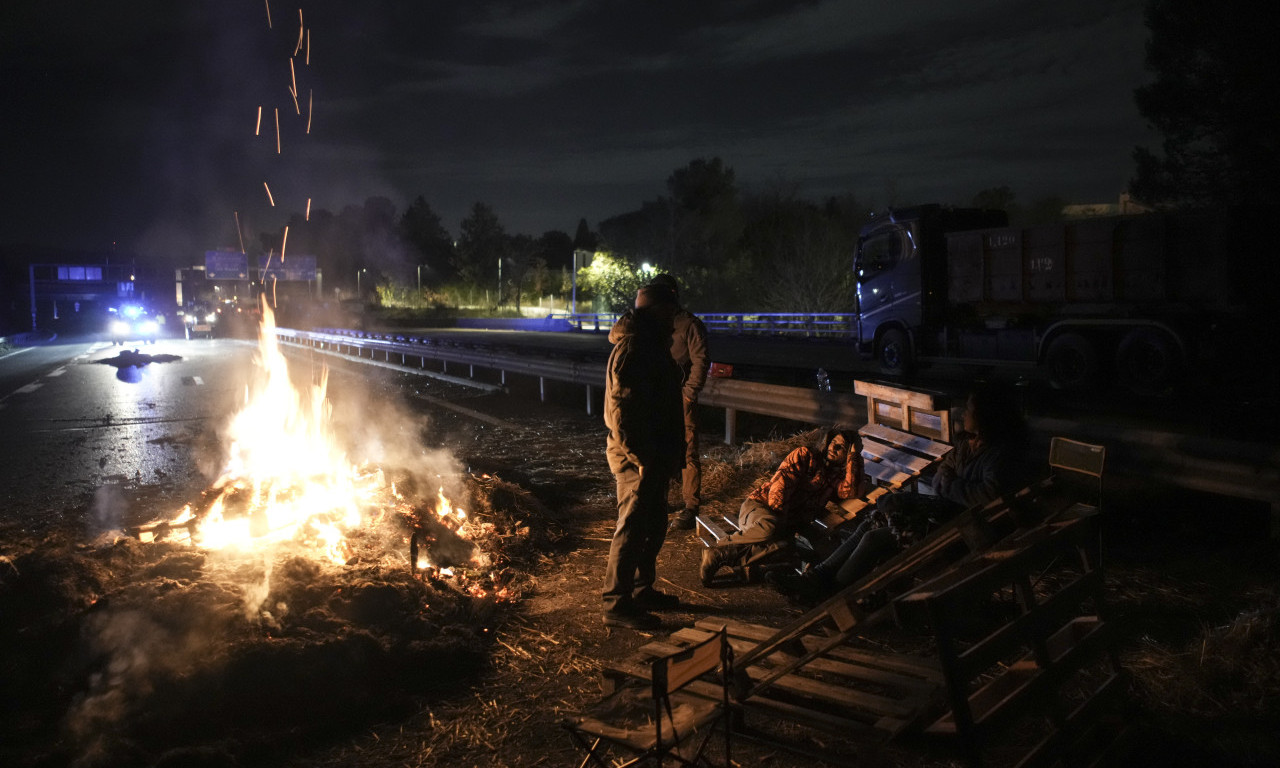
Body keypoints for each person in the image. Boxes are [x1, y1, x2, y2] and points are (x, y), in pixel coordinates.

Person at [770, 384, 1031, 603]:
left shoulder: (999, 455)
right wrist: (952, 485)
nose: (964, 413)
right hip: (944, 515)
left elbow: (987, 495)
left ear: (987, 416)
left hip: (962, 530)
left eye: (971, 410)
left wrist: (950, 486)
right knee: (875, 518)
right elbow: (943, 474)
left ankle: (832, 595)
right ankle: (819, 577)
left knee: (874, 538)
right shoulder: (967, 444)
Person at [601, 286, 687, 629]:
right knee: (632, 528)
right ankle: (615, 603)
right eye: (670, 310)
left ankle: (639, 589)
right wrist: (639, 457)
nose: (675, 317)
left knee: (652, 525)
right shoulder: (636, 346)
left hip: (653, 454)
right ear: (657, 311)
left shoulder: (651, 343)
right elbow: (622, 409)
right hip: (637, 457)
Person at [700, 428, 867, 586]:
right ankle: (723, 545)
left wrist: (855, 456)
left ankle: (718, 556)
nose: (835, 447)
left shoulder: (834, 478)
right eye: (833, 442)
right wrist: (781, 522)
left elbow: (852, 491)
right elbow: (780, 486)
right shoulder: (805, 455)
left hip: (782, 524)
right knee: (770, 527)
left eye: (842, 447)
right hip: (761, 508)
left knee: (783, 547)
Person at [609, 273, 709, 531]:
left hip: (678, 396)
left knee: (687, 451)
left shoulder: (688, 325)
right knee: (656, 447)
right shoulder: (644, 329)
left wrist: (688, 392)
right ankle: (659, 499)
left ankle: (690, 505)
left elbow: (700, 360)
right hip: (656, 398)